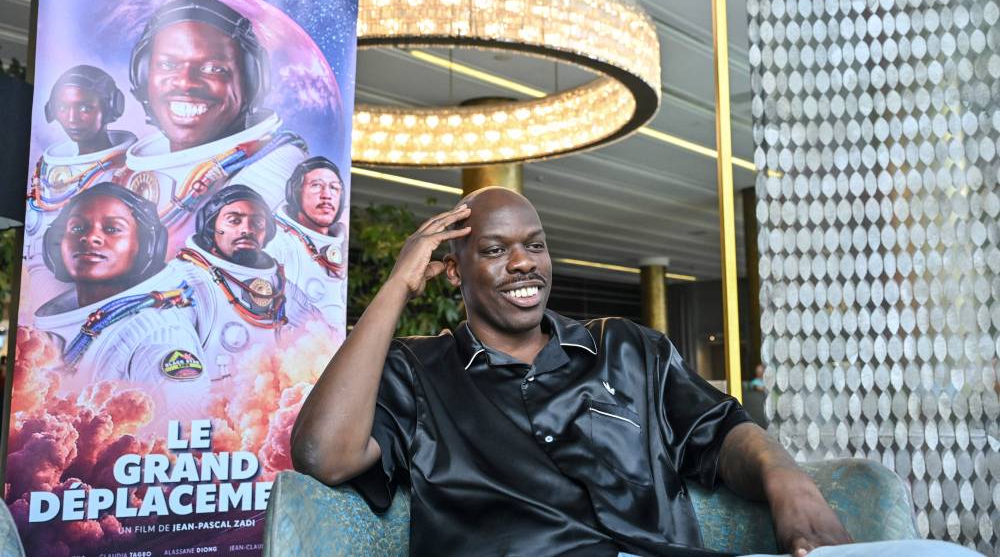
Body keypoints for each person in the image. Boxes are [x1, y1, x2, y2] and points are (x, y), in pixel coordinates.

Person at [291, 187, 974, 557]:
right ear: (452, 270)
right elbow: (324, 453)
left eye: (535, 245)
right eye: (495, 250)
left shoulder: (627, 347)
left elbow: (720, 431)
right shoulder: (418, 370)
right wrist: (397, 285)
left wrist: (786, 480)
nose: (524, 263)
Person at [122, 0, 307, 252]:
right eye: (167, 64)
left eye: (213, 69)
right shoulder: (129, 170)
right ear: (142, 75)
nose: (185, 82)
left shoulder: (277, 168)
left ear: (251, 81)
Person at [33, 183, 207, 417]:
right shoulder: (51, 329)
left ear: (145, 246)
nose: (90, 237)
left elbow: (181, 424)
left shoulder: (158, 334)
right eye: (77, 227)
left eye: (112, 229)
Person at [170, 184, 321, 383]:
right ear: (211, 227)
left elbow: (324, 344)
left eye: (257, 223)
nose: (247, 230)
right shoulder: (184, 282)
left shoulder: (282, 287)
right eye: (234, 220)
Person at [24, 65, 137, 309]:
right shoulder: (46, 171)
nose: (72, 118)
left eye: (85, 108)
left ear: (110, 108)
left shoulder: (132, 171)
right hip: (46, 278)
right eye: (63, 108)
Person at [266, 157, 347, 334]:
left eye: (334, 187)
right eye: (316, 185)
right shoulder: (274, 242)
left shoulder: (345, 246)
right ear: (295, 193)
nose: (327, 195)